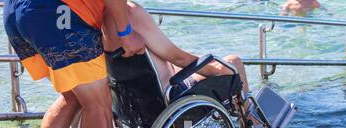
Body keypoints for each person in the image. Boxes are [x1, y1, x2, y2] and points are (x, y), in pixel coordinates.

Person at [3, 0, 145, 128]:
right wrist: (126, 33)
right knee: (98, 104)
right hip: (56, 13)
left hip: (16, 12)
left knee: (73, 94)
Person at [102, 2, 251, 109]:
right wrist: (216, 70)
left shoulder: (99, 18)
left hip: (132, 102)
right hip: (169, 96)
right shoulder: (133, 13)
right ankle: (253, 126)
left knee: (202, 62)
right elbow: (178, 58)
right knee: (232, 63)